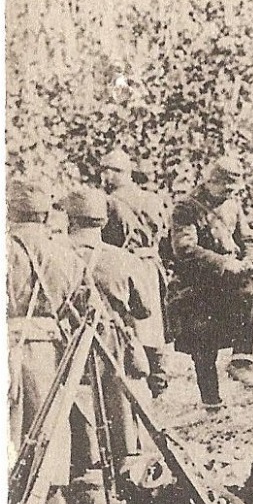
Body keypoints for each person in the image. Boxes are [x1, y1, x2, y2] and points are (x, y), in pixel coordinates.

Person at [166, 156, 253, 412]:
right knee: (203, 345)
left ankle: (241, 360)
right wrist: (222, 262)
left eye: (233, 190)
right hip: (198, 284)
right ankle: (212, 403)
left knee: (250, 298)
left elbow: (248, 238)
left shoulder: (232, 205)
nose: (229, 194)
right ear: (210, 182)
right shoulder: (186, 208)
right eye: (225, 188)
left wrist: (250, 258)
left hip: (229, 282)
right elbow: (184, 247)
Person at [61, 186, 150, 456]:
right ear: (104, 221)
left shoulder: (55, 255)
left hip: (66, 343)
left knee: (73, 414)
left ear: (71, 219)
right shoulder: (124, 260)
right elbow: (143, 309)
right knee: (120, 412)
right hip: (113, 345)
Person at [8, 179, 84, 468]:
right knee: (47, 431)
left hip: (9, 347)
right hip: (50, 354)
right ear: (45, 215)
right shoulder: (66, 255)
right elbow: (81, 307)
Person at [99, 148, 168, 396]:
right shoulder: (152, 198)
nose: (105, 177)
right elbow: (164, 233)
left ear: (120, 173)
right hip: (151, 265)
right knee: (152, 322)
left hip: (126, 266)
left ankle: (145, 381)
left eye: (108, 171)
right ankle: (158, 381)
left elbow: (109, 240)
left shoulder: (109, 203)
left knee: (132, 323)